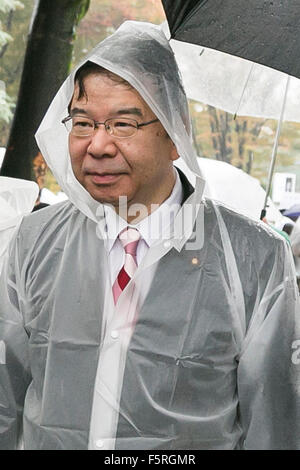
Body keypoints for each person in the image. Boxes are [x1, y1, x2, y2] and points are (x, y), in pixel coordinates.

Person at [0, 21, 300, 451]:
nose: (98, 145)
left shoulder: (253, 257)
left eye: (124, 124)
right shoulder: (35, 240)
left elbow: (275, 420)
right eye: (82, 123)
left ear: (175, 133)